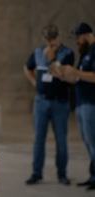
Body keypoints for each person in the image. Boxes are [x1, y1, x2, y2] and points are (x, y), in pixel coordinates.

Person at [23, 24, 75, 185]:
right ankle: (37, 172)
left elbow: (62, 75)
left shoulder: (67, 54)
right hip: (41, 101)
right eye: (48, 39)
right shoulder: (38, 52)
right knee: (39, 139)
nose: (52, 42)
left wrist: (52, 59)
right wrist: (33, 81)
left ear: (59, 37)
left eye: (54, 38)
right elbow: (27, 67)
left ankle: (62, 173)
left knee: (61, 139)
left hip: (59, 102)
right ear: (44, 39)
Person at [53, 23, 95, 191]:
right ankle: (93, 176)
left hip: (92, 104)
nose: (76, 42)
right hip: (81, 103)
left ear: (86, 35)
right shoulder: (86, 53)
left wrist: (74, 72)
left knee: (93, 142)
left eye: (78, 38)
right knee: (88, 141)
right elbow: (80, 78)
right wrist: (64, 76)